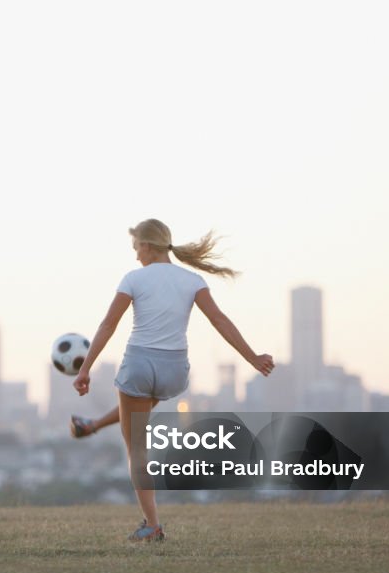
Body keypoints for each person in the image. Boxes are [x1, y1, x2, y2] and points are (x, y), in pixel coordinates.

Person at [72, 219, 275, 542]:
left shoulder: (134, 279)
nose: (135, 254)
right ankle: (92, 425)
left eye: (136, 247)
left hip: (139, 363)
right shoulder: (191, 280)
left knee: (136, 449)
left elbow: (108, 324)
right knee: (141, 409)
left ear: (148, 246)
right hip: (173, 371)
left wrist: (85, 369)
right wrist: (252, 357)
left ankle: (151, 525)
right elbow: (219, 320)